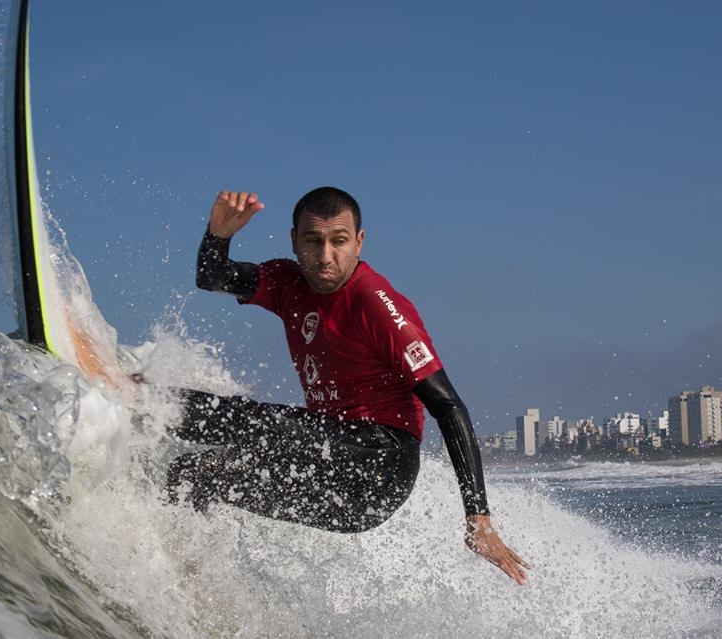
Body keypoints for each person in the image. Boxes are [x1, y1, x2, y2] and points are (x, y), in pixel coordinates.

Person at [166, 186, 529, 585]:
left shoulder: (375, 303)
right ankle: (184, 584)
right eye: (313, 241)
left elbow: (449, 407)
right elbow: (212, 277)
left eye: (338, 241)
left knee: (255, 422)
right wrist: (218, 234)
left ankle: (134, 398)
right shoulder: (286, 281)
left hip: (380, 465)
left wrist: (479, 520)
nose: (325, 256)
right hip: (329, 467)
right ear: (294, 241)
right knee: (196, 475)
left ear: (358, 242)